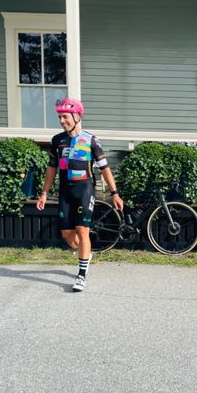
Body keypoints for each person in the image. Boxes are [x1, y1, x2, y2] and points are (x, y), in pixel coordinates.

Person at [36, 98, 123, 292]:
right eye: (59, 117)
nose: (61, 121)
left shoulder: (90, 140)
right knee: (67, 234)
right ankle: (86, 253)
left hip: (84, 189)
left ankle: (81, 275)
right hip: (65, 190)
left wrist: (115, 193)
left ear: (77, 117)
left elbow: (105, 168)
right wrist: (44, 193)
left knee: (82, 230)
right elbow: (52, 168)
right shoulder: (57, 140)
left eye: (65, 117)